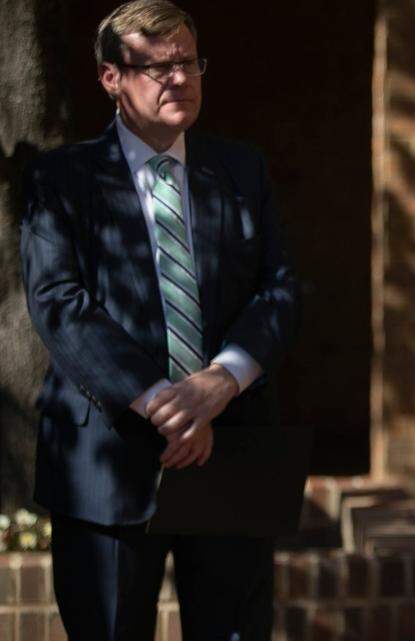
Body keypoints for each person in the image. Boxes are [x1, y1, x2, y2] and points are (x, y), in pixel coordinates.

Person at [20, 1, 299, 639]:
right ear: (111, 77)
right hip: (107, 465)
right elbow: (60, 303)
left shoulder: (239, 170)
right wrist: (165, 404)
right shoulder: (60, 180)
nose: (179, 78)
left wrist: (221, 383)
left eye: (188, 62)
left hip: (232, 452)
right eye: (157, 66)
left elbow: (279, 290)